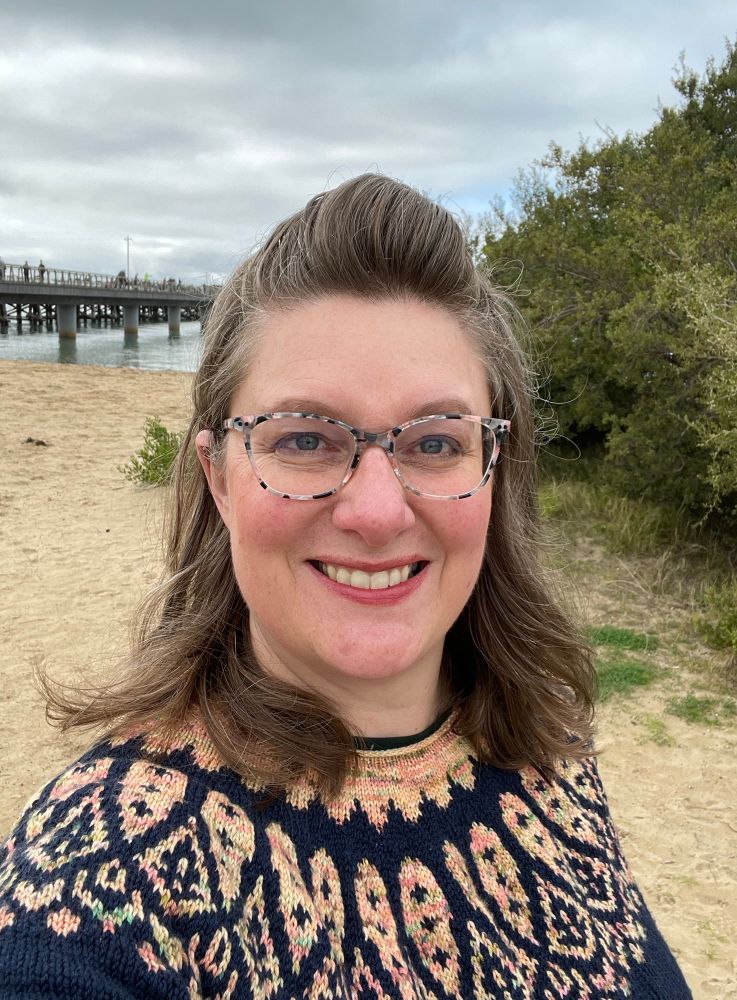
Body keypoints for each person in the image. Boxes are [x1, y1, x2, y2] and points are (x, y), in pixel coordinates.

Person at [0, 175, 693, 998]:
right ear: (218, 478)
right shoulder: (102, 877)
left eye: (436, 444)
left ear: (494, 471)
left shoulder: (550, 753)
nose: (374, 510)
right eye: (303, 438)